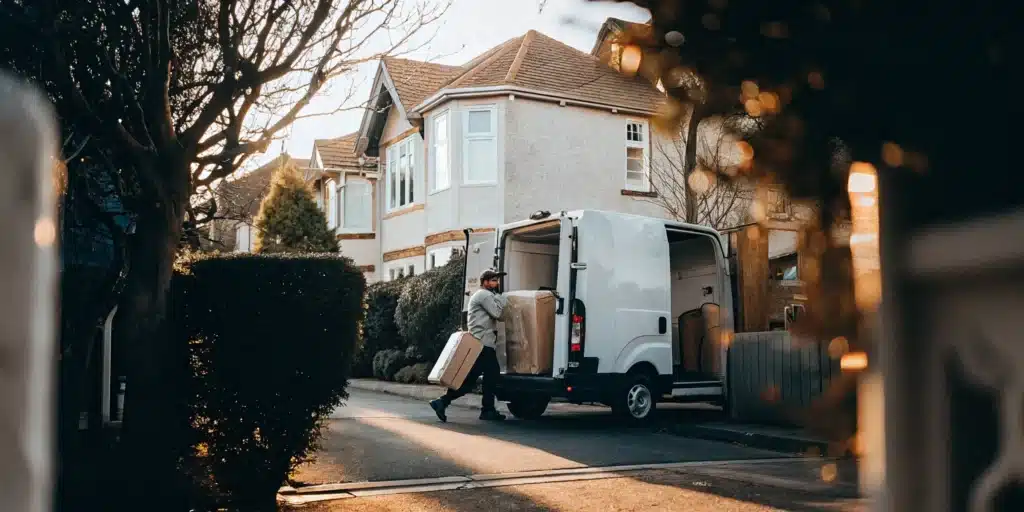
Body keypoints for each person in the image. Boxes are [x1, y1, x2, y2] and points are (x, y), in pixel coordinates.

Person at [430, 269, 508, 422]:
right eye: (493, 280)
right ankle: (486, 410)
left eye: (497, 280)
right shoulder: (484, 295)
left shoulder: (484, 295)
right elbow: (498, 314)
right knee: (490, 376)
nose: (496, 283)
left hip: (481, 343)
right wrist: (502, 298)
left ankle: (443, 402)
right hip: (483, 344)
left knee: (475, 379)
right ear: (485, 282)